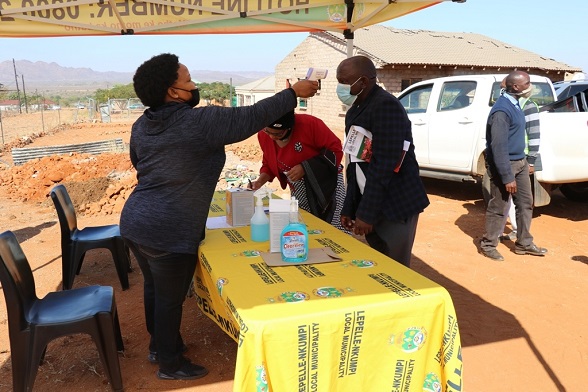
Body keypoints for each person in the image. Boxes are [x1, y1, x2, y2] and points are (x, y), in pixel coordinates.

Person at [119, 53, 318, 381]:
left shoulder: (142, 124)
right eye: (187, 80)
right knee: (169, 300)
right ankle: (169, 363)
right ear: (172, 91)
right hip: (168, 230)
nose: (193, 84)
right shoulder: (198, 122)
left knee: (155, 288)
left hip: (136, 221)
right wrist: (293, 93)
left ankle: (159, 346)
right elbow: (252, 115)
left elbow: (139, 163)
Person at [335, 55, 429, 268]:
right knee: (378, 261)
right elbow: (354, 162)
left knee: (393, 266)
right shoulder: (357, 108)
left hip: (394, 204)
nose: (341, 87)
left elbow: (384, 165)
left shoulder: (385, 106)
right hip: (373, 200)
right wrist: (350, 206)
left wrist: (366, 214)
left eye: (345, 81)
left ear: (364, 81)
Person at [480, 71, 547, 261]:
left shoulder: (516, 104)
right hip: (506, 165)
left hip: (520, 163)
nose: (530, 86)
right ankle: (488, 244)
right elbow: (498, 146)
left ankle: (524, 243)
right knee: (499, 206)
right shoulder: (502, 110)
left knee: (525, 204)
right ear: (516, 87)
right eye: (527, 83)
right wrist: (507, 176)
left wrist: (526, 162)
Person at [249, 110, 348, 232]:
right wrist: (259, 182)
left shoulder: (310, 125)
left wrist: (305, 167)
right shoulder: (264, 135)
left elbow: (336, 150)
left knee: (334, 223)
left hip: (327, 182)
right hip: (298, 186)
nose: (271, 137)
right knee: (304, 223)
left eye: (278, 134)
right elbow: (269, 163)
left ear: (290, 128)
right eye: (267, 131)